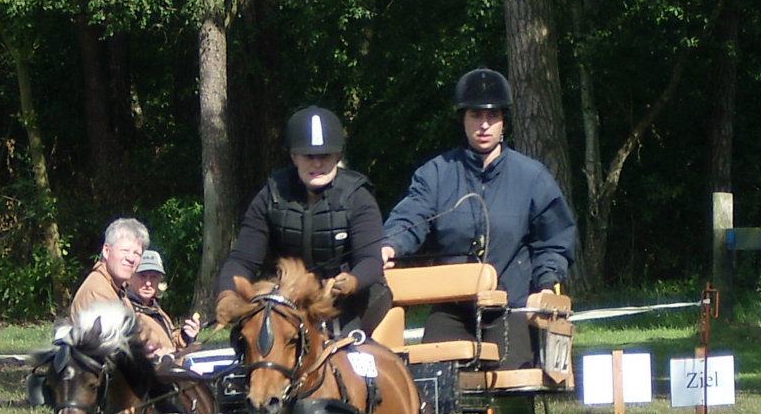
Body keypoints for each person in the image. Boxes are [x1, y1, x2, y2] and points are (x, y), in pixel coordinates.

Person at [381, 68, 576, 369]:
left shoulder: (533, 177)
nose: (484, 125)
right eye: (475, 115)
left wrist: (547, 284)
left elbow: (554, 240)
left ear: (504, 121)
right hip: (452, 308)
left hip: (510, 306)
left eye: (492, 116)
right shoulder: (436, 174)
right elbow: (411, 216)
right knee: (429, 380)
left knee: (513, 382)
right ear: (463, 119)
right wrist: (390, 244)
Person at [216, 105, 390, 336]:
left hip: (351, 302)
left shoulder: (359, 197)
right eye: (309, 156)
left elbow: (371, 260)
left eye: (325, 156)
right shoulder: (271, 195)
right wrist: (226, 294)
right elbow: (242, 260)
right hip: (289, 300)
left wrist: (353, 281)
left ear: (338, 156)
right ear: (293, 157)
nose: (317, 164)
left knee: (345, 349)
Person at [70, 217, 149, 320]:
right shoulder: (98, 292)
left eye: (137, 253)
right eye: (125, 250)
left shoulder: (117, 288)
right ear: (106, 251)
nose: (131, 258)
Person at [128, 250, 201, 357]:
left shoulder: (155, 309)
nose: (148, 283)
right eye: (142, 276)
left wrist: (186, 336)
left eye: (153, 277)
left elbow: (172, 342)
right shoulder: (126, 311)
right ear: (130, 277)